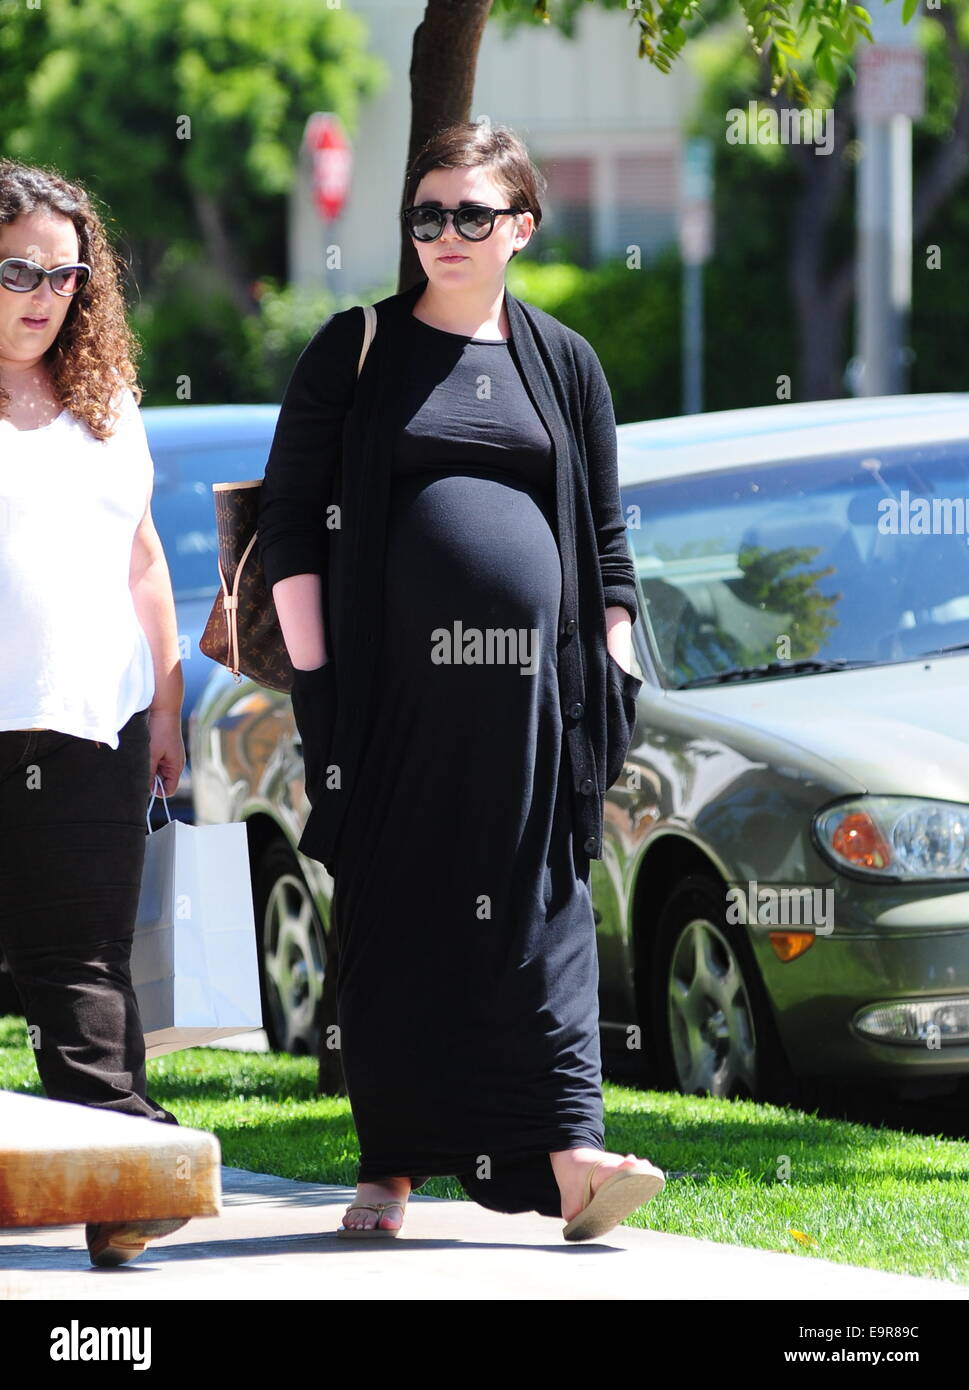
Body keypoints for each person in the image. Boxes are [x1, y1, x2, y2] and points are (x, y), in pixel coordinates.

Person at [258, 120, 666, 1242]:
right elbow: (290, 527)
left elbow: (606, 540)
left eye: (470, 214)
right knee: (400, 913)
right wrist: (322, 680)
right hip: (391, 703)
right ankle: (391, 1167)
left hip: (541, 707)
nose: (444, 232)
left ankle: (573, 1153)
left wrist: (616, 667)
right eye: (427, 214)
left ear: (520, 227)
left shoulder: (565, 362)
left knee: (544, 909)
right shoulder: (355, 350)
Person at [0, 159, 189, 1267]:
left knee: (83, 961)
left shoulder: (108, 404)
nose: (43, 293)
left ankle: (121, 1180)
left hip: (95, 722)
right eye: (18, 268)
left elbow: (145, 557)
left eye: (64, 273)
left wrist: (164, 703)